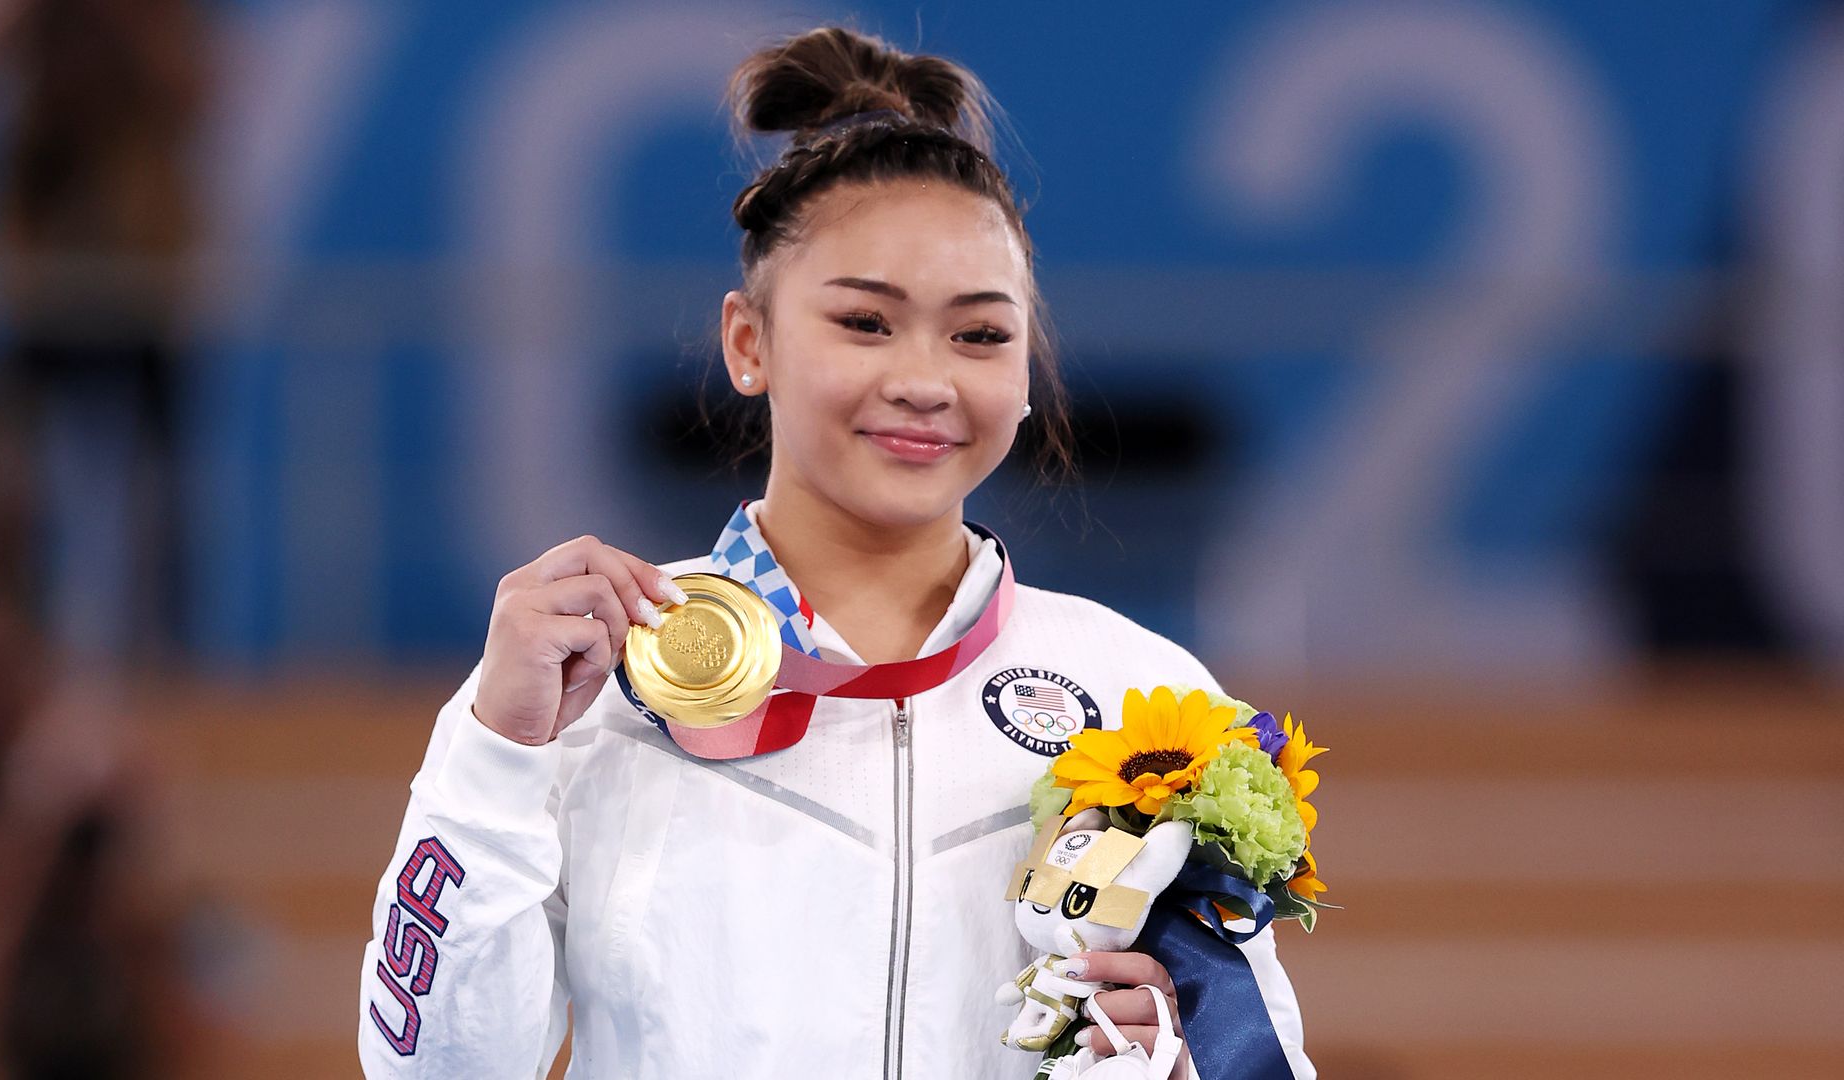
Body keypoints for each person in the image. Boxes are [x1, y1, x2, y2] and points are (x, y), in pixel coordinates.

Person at [358, 26, 1314, 1079]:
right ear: (747, 343)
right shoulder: (589, 689)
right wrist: (498, 750)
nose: (925, 379)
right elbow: (434, 1071)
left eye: (981, 335)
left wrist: (1172, 1065)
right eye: (866, 323)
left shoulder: (1147, 704)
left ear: (1028, 371)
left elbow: (1259, 1058)